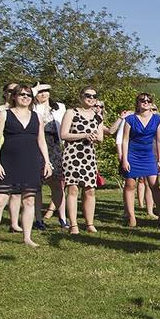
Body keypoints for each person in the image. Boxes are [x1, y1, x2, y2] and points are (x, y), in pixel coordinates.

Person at [0, 85, 53, 250]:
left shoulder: (37, 117)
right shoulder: (4, 115)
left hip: (31, 162)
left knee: (29, 200)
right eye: (21, 94)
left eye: (28, 94)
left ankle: (27, 237)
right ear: (14, 96)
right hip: (8, 161)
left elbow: (41, 141)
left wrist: (47, 162)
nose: (25, 97)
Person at [59, 86, 105, 233]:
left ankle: (90, 223)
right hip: (72, 155)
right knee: (73, 189)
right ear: (81, 97)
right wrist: (84, 135)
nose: (91, 98)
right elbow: (64, 134)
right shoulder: (71, 113)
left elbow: (100, 138)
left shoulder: (98, 116)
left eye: (94, 96)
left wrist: (94, 137)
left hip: (88, 156)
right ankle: (73, 224)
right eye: (87, 95)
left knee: (90, 190)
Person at [120, 92, 160, 227]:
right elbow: (125, 140)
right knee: (130, 185)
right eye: (142, 100)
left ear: (151, 103)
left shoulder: (157, 119)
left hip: (148, 155)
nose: (145, 102)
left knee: (155, 186)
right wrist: (125, 159)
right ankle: (132, 217)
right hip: (132, 154)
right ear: (138, 103)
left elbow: (158, 140)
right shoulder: (130, 119)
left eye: (148, 100)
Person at [0, 83, 23, 232]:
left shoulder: (21, 111)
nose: (13, 93)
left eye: (16, 91)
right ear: (5, 92)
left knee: (16, 190)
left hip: (15, 152)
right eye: (10, 91)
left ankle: (14, 223)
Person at [33, 82, 67, 229]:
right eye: (40, 92)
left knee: (58, 183)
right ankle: (38, 219)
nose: (43, 94)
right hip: (37, 145)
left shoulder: (59, 107)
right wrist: (33, 91)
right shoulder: (33, 107)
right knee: (37, 184)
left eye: (46, 91)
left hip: (55, 145)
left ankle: (63, 218)